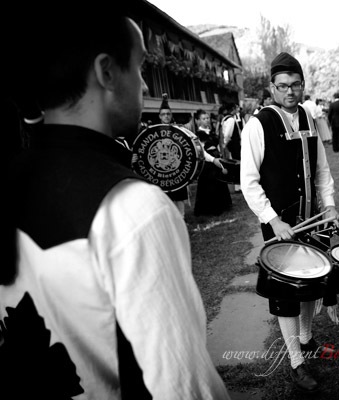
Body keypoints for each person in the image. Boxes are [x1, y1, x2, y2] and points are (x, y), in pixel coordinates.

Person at [0, 3, 230, 399]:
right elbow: (183, 387)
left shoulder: (7, 181)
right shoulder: (134, 210)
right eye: (140, 67)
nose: (143, 86)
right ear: (106, 71)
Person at [240, 52, 339, 393]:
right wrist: (273, 220)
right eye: (282, 86)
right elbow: (249, 181)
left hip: (312, 219)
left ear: (303, 85)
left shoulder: (310, 118)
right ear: (272, 88)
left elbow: (322, 170)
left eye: (296, 84)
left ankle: (307, 337)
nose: (290, 92)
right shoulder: (260, 123)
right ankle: (296, 362)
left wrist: (328, 205)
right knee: (286, 293)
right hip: (281, 224)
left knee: (312, 281)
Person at [158, 94, 196, 216]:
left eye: (168, 114)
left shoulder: (178, 130)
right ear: (159, 116)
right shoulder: (154, 131)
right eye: (163, 114)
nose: (166, 116)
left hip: (176, 169)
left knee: (179, 198)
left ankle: (182, 219)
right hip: (162, 172)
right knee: (166, 200)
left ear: (171, 115)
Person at [193, 109, 232, 216]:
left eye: (207, 118)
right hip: (208, 163)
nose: (206, 120)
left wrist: (219, 156)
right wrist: (213, 160)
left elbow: (218, 145)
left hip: (217, 159)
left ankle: (223, 206)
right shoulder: (198, 135)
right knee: (210, 185)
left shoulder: (211, 132)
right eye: (203, 118)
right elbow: (202, 152)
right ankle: (211, 209)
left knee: (219, 182)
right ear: (198, 121)